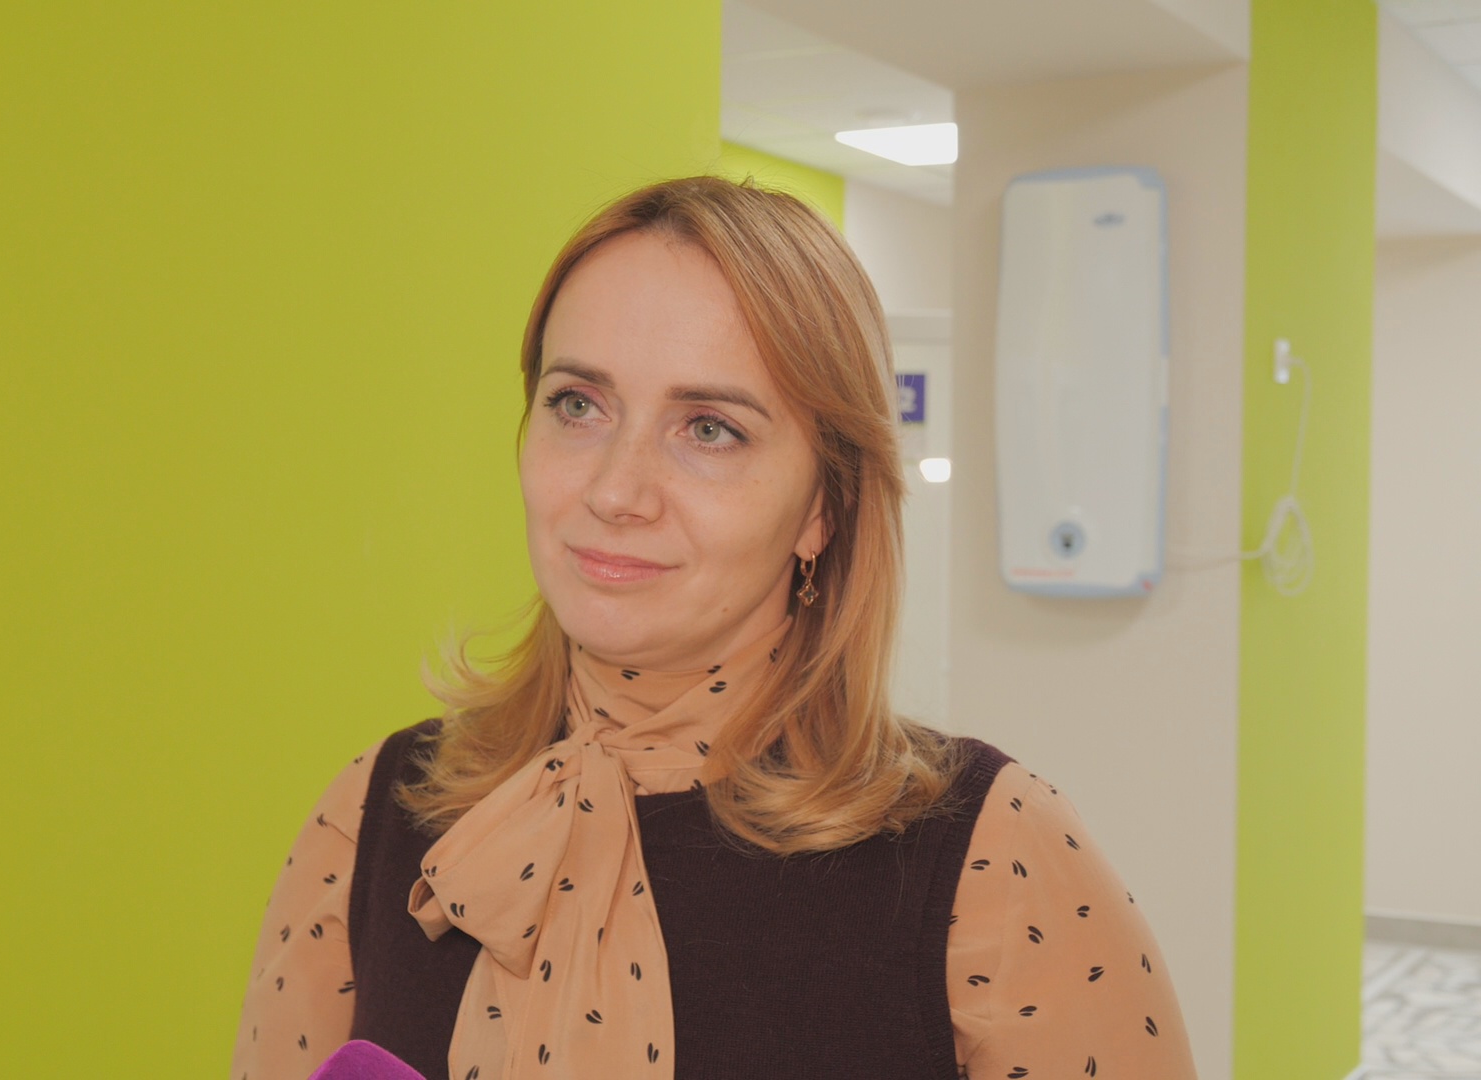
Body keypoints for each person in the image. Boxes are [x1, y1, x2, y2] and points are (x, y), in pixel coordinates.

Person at [230, 176, 1197, 1080]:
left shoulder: (995, 859)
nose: (615, 490)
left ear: (824, 506)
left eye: (709, 429)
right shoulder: (369, 819)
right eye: (577, 405)